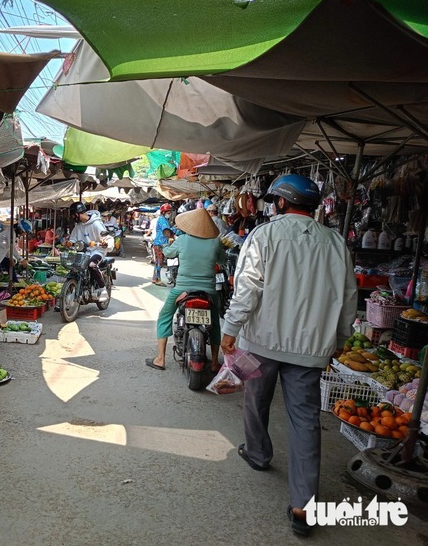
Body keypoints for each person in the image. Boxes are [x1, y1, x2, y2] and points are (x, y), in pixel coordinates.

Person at [220, 174, 357, 537]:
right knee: (304, 422)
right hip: (311, 350)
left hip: (262, 341)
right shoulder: (336, 243)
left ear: (281, 202)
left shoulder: (264, 236)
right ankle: (303, 507)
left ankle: (258, 453)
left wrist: (231, 328)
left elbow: (247, 286)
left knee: (255, 401)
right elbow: (348, 298)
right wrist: (340, 339)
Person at [145, 209, 225, 371]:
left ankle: (160, 358)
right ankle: (215, 362)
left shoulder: (182, 240)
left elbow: (168, 253)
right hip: (208, 291)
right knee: (215, 322)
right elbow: (223, 260)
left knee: (165, 316)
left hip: (182, 290)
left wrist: (169, 242)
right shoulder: (215, 242)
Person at [67, 202, 110, 289]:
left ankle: (102, 288)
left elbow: (104, 237)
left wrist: (103, 242)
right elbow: (73, 238)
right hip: (83, 252)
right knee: (74, 266)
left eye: (73, 215)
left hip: (97, 251)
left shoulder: (96, 224)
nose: (72, 218)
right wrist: (70, 242)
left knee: (91, 265)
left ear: (77, 214)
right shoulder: (78, 226)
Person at [0, 220, 31, 293]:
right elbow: (12, 248)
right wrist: (21, 259)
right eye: (25, 232)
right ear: (21, 230)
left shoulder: (13, 233)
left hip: (1, 253)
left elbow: (8, 247)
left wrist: (10, 258)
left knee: (10, 266)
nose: (25, 234)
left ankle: (16, 285)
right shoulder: (11, 233)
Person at [151, 203, 172, 286]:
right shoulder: (162, 220)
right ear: (163, 212)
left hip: (158, 243)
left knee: (158, 262)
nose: (169, 214)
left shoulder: (162, 219)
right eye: (168, 212)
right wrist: (175, 229)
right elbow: (166, 231)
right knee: (160, 262)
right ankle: (158, 280)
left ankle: (154, 278)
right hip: (160, 243)